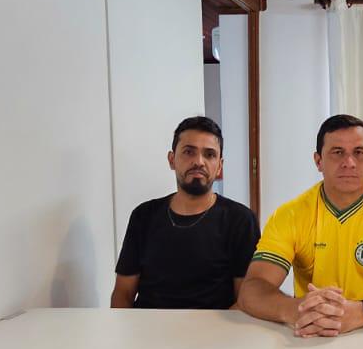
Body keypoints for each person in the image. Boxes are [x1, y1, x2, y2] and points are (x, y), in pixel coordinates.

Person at [237, 114, 363, 336]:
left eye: (359, 152)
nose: (349, 162)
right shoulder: (290, 215)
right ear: (318, 161)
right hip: (313, 333)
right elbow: (252, 289)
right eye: (338, 152)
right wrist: (296, 310)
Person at [111, 116, 259, 309]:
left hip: (215, 327)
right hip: (149, 326)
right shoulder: (144, 216)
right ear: (172, 160)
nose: (199, 162)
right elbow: (123, 293)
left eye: (209, 155)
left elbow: (246, 300)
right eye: (189, 152)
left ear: (220, 166)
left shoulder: (240, 220)